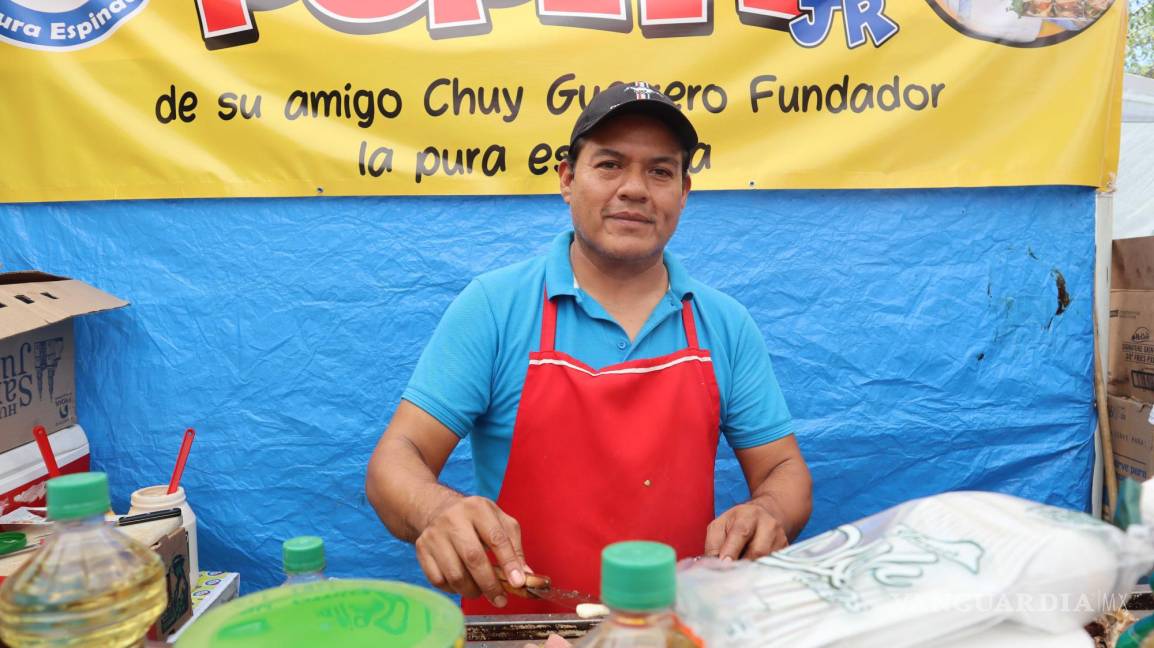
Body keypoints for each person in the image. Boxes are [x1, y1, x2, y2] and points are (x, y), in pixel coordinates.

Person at [365, 82, 812, 615]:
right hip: (521, 634)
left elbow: (785, 471)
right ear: (567, 179)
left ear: (684, 192)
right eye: (609, 165)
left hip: (673, 629)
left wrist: (767, 513)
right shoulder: (495, 307)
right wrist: (435, 509)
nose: (635, 189)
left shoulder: (724, 324)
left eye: (660, 171)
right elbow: (394, 461)